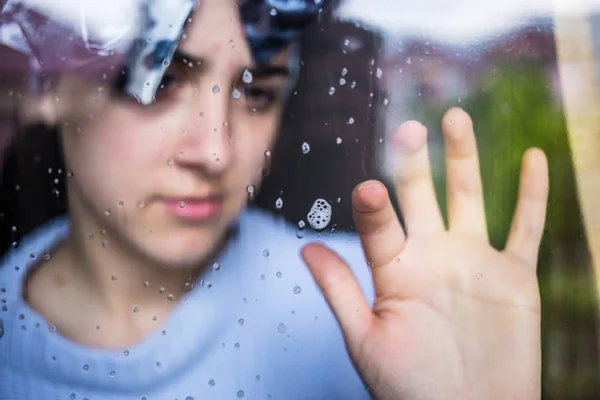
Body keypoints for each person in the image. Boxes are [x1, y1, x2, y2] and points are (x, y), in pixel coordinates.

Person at [0, 0, 549, 399]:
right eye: (160, 79)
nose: (216, 152)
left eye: (257, 93)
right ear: (46, 87)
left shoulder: (386, 307)